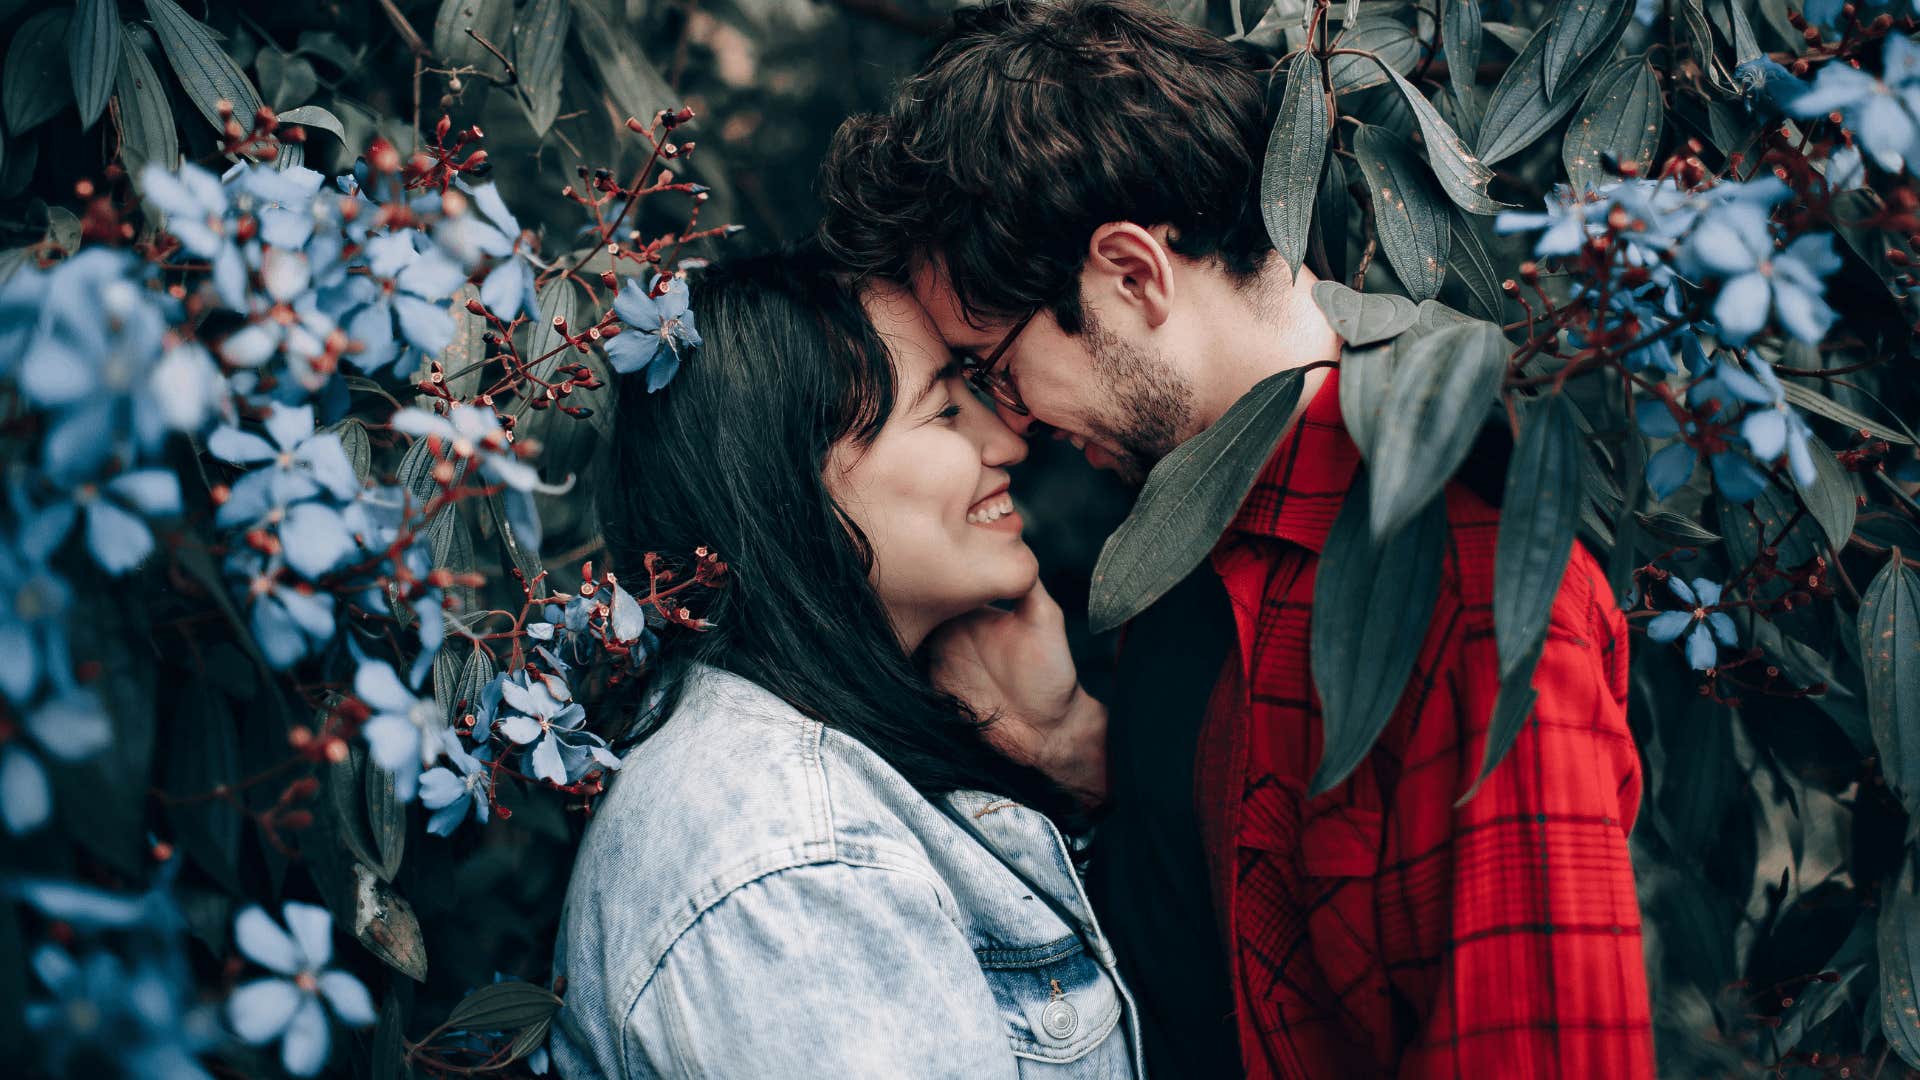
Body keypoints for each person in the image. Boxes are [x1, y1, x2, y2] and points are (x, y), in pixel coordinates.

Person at [818, 1, 1654, 1077]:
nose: (1010, 424)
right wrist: (1077, 748)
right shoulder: (1184, 542)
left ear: (1131, 274)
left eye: (992, 365)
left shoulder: (1469, 589)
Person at [549, 248, 1143, 1078]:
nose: (1008, 439)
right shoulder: (793, 869)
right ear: (793, 482)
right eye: (944, 412)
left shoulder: (828, 771)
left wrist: (1065, 749)